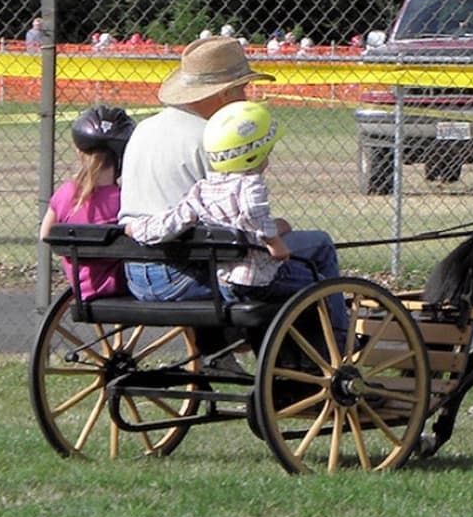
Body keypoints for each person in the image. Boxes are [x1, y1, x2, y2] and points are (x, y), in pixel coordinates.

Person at [117, 35, 344, 339]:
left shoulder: (143, 129)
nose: (246, 98)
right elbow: (238, 222)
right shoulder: (214, 140)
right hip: (192, 273)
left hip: (138, 271)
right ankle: (335, 347)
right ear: (223, 93)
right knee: (318, 248)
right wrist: (276, 228)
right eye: (242, 88)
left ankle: (224, 354)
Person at [126, 101, 323, 307]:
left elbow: (173, 220)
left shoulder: (202, 189)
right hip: (253, 281)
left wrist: (137, 228)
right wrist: (275, 243)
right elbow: (252, 213)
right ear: (257, 154)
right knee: (322, 282)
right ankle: (338, 334)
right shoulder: (250, 187)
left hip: (224, 280)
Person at [40, 105, 136, 299]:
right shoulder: (125, 199)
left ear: (79, 151)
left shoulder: (65, 193)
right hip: (122, 284)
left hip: (82, 288)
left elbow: (45, 234)